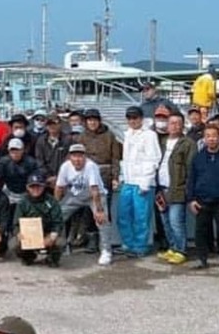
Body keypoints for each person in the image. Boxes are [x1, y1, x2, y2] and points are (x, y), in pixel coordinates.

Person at [186, 123, 219, 274]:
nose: (211, 139)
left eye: (214, 136)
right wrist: (191, 199)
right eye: (208, 136)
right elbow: (191, 180)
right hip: (202, 201)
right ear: (204, 139)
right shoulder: (198, 158)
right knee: (201, 232)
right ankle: (201, 259)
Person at [55, 144, 111, 265]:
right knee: (57, 215)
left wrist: (99, 210)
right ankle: (59, 245)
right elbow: (59, 187)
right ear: (70, 157)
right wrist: (55, 206)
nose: (77, 159)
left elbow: (94, 189)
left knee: (102, 220)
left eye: (80, 156)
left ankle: (106, 251)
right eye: (74, 156)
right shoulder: (65, 166)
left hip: (95, 196)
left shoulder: (91, 166)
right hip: (75, 195)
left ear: (85, 157)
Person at [117, 106, 162, 257]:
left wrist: (146, 181)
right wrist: (122, 177)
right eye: (129, 118)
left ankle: (140, 247)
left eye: (135, 118)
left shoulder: (150, 135)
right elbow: (126, 159)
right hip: (128, 181)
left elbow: (154, 159)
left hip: (142, 182)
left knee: (141, 217)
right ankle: (128, 244)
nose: (132, 121)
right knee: (123, 215)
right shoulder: (127, 134)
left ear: (141, 118)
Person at [155, 111, 197, 265]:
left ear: (183, 125)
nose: (175, 126)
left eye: (178, 123)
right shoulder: (161, 142)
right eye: (172, 123)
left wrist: (188, 189)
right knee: (165, 221)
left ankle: (181, 250)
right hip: (161, 188)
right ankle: (172, 247)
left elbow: (191, 168)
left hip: (178, 188)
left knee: (176, 221)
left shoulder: (188, 143)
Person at [14, 172, 64, 266]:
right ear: (27, 188)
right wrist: (19, 234)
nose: (35, 189)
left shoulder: (52, 201)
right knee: (15, 245)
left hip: (47, 232)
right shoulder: (22, 203)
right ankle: (29, 256)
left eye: (38, 186)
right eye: (32, 187)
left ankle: (51, 258)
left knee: (60, 243)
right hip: (29, 235)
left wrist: (52, 236)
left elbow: (58, 222)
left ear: (44, 186)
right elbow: (16, 223)